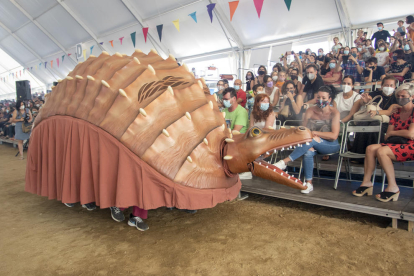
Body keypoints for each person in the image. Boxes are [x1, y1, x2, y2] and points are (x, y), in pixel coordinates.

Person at [352, 83, 414, 202]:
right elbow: (387, 135)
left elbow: (411, 134)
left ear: (412, 97)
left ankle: (393, 187)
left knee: (382, 151)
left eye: (404, 96)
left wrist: (393, 133)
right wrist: (397, 133)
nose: (400, 98)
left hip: (411, 145)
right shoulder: (396, 112)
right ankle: (367, 183)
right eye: (398, 96)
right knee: (370, 148)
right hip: (397, 144)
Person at [274, 85, 341, 194]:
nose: (320, 100)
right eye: (318, 97)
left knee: (312, 140)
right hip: (312, 143)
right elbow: (303, 130)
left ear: (329, 99)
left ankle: (285, 162)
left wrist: (315, 133)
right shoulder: (310, 110)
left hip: (330, 144)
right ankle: (308, 183)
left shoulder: (334, 113)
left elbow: (334, 136)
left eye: (324, 98)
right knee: (308, 152)